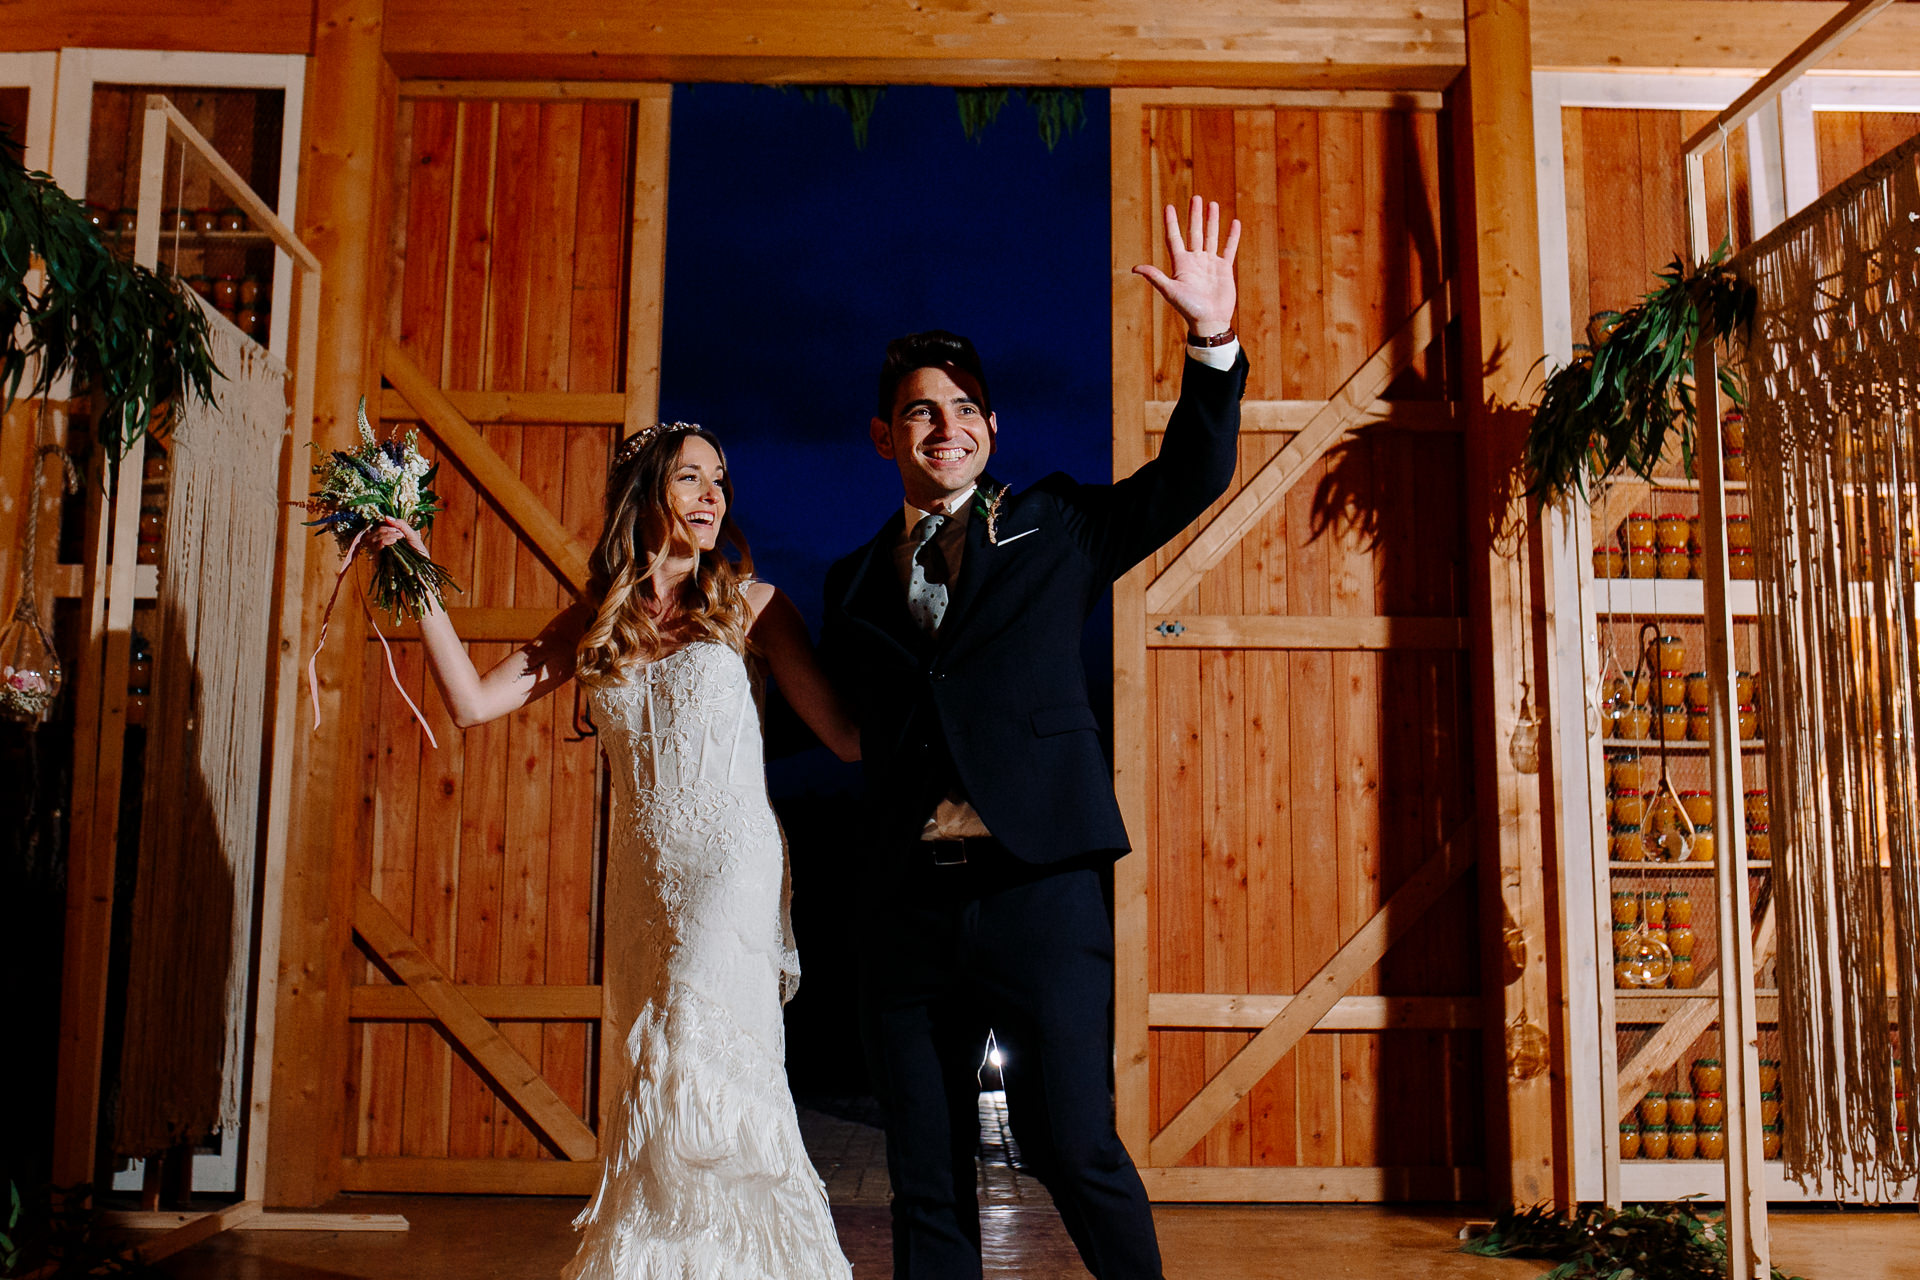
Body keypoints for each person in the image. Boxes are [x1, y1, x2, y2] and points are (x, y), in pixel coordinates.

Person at [819, 195, 1246, 1280]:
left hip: (1038, 888)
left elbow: (1191, 476)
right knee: (926, 1171)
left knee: (1075, 1143)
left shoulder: (1056, 524)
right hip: (904, 907)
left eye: (965, 408)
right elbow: (847, 727)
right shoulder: (850, 584)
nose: (945, 426)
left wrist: (1211, 340)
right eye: (920, 412)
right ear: (885, 434)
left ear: (993, 428)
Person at [373, 423, 858, 1279]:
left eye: (719, 479)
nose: (712, 495)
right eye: (689, 479)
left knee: (694, 1049)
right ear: (644, 499)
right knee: (653, 1066)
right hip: (643, 880)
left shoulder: (754, 605)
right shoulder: (597, 623)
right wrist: (416, 576)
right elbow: (471, 704)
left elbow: (849, 740)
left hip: (731, 865)